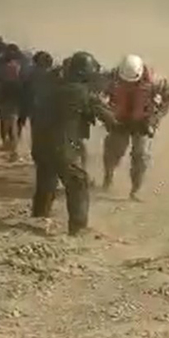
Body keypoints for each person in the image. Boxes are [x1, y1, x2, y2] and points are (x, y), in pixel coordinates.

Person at [30, 51, 116, 236]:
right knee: (78, 183)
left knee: (46, 180)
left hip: (40, 144)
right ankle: (78, 228)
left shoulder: (51, 86)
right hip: (63, 147)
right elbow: (110, 119)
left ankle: (39, 216)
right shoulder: (82, 93)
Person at [102, 54, 169, 200]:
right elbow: (98, 94)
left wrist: (156, 118)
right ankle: (108, 177)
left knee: (141, 156)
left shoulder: (156, 81)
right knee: (112, 151)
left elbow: (168, 96)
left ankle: (136, 189)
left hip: (143, 121)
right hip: (119, 120)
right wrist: (106, 113)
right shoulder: (111, 77)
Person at [0, 42, 34, 156]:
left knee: (8, 120)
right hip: (17, 93)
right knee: (15, 122)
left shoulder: (2, 62)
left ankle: (10, 145)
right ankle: (13, 147)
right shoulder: (23, 62)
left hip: (11, 92)